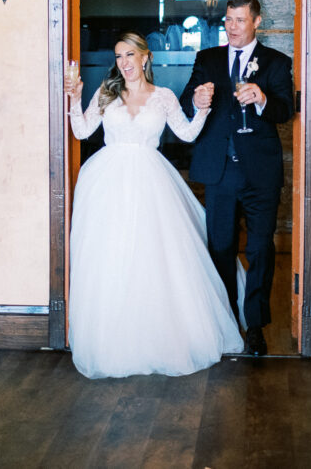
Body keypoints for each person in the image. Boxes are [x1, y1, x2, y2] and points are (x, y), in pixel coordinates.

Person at [64, 31, 243, 379]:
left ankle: (158, 334)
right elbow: (83, 132)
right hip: (107, 183)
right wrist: (74, 99)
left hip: (150, 181)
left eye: (130, 55)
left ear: (145, 58)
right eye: (118, 56)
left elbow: (188, 134)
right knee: (112, 255)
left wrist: (202, 110)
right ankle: (113, 337)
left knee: (151, 255)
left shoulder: (162, 97)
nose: (124, 63)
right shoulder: (107, 92)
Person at [179, 0, 294, 356]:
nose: (232, 28)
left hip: (260, 172)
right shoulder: (207, 59)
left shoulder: (276, 62)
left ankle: (256, 326)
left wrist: (261, 98)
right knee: (221, 249)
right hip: (220, 171)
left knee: (260, 249)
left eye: (240, 21)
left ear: (256, 21)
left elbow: (285, 111)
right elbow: (186, 103)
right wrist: (197, 102)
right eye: (228, 20)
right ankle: (226, 318)